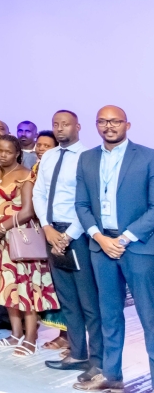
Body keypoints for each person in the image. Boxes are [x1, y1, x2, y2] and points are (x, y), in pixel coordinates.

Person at [73, 106, 154, 392]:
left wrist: (124, 239)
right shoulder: (86, 158)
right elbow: (81, 205)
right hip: (101, 247)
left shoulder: (148, 157)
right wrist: (99, 237)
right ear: (96, 125)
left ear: (127, 125)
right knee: (109, 315)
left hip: (137, 248)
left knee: (149, 317)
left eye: (115, 121)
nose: (109, 126)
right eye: (103, 121)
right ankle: (113, 375)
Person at [34, 111, 102, 377]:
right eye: (55, 125)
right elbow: (39, 193)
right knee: (67, 299)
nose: (60, 129)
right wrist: (47, 228)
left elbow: (86, 200)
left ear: (78, 127)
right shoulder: (49, 156)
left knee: (88, 301)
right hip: (51, 232)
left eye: (65, 124)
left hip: (78, 234)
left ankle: (97, 358)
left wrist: (68, 235)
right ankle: (77, 353)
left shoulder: (87, 158)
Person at [0, 134, 59, 358]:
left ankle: (31, 337)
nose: (3, 155)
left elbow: (27, 210)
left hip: (19, 238)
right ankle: (15, 334)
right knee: (7, 288)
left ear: (17, 154)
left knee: (26, 289)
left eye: (8, 152)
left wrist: (2, 227)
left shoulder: (25, 175)